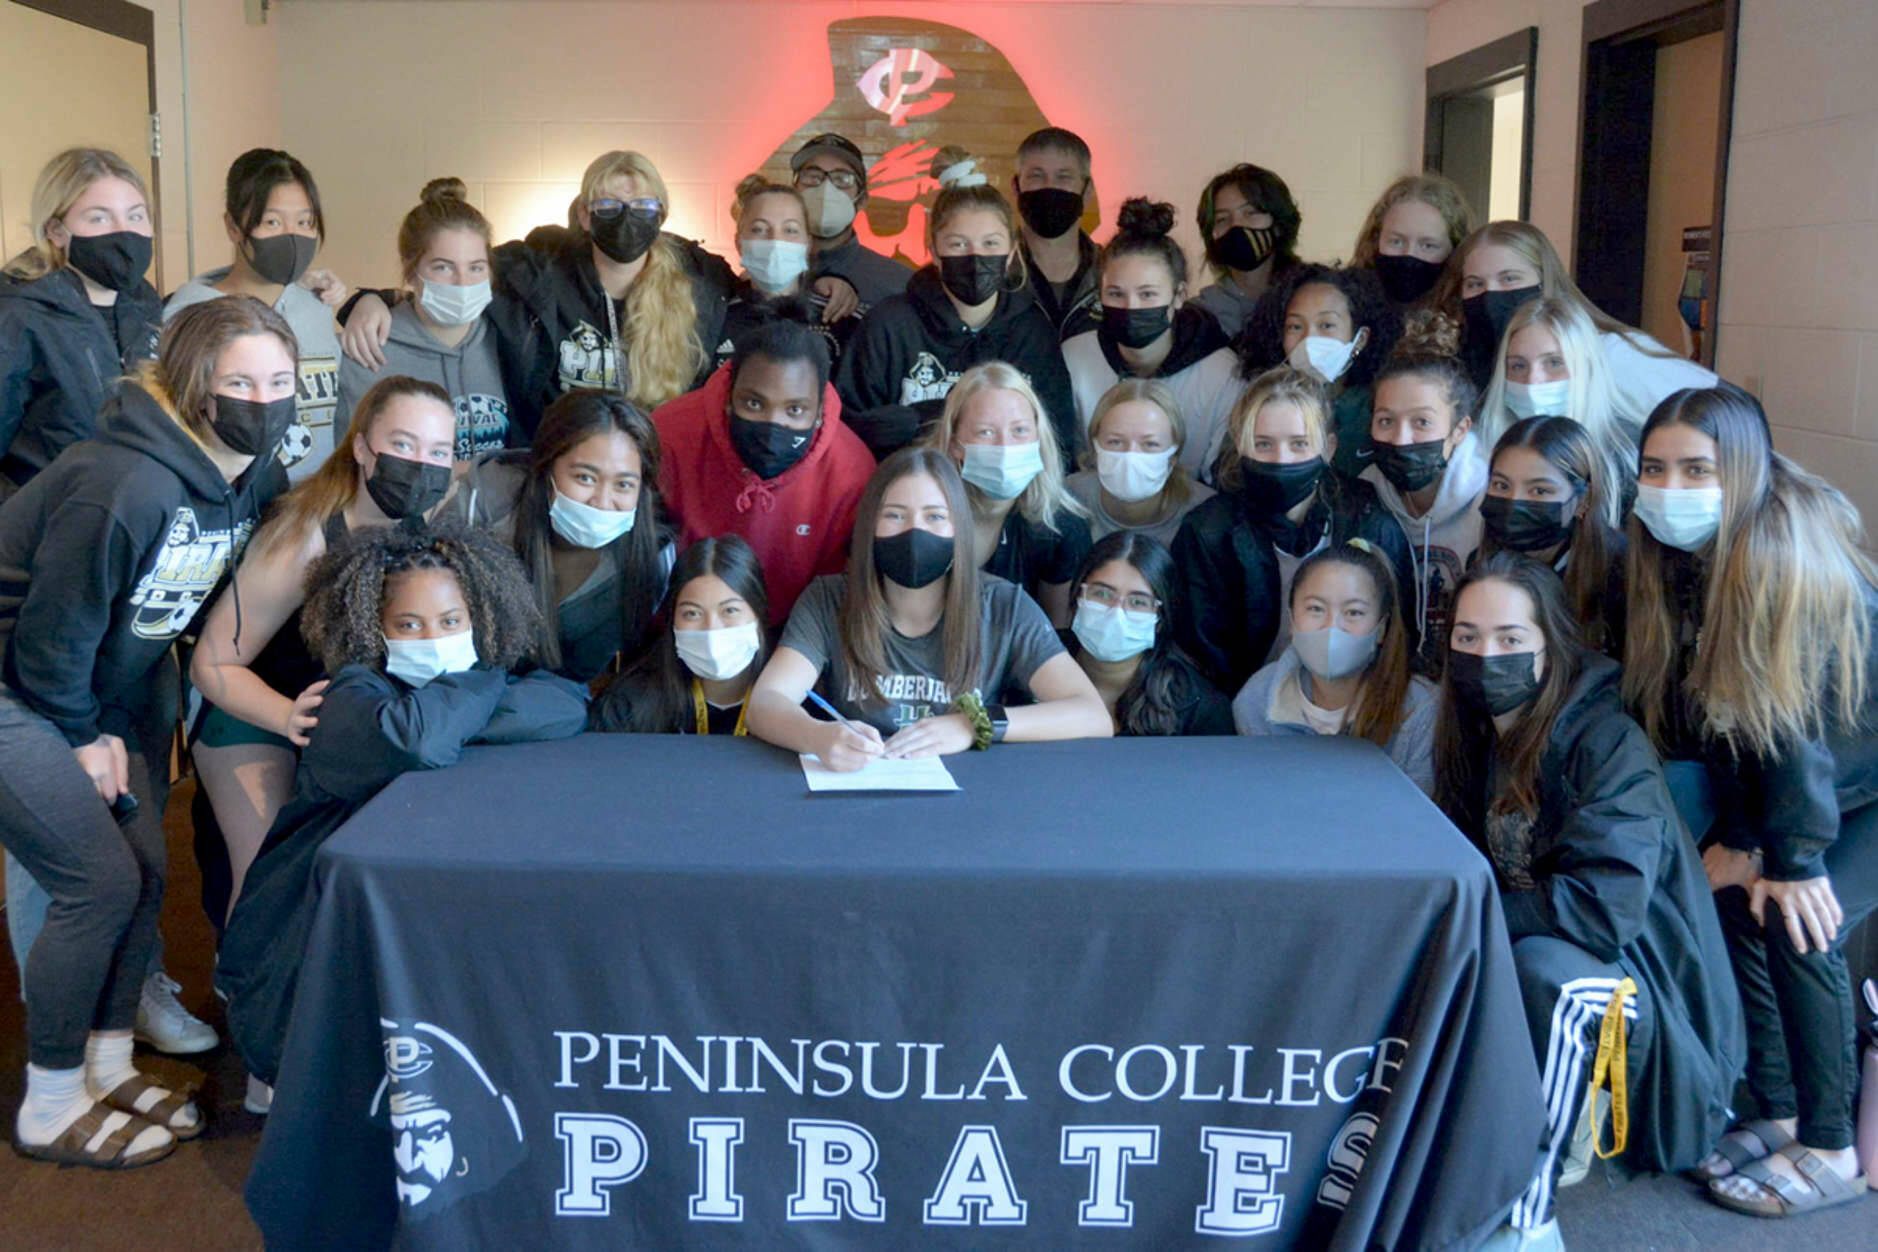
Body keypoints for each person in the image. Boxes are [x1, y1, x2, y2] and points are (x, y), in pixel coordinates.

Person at [0, 296, 298, 1168]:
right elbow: (52, 631)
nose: (263, 399)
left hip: (99, 693)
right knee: (92, 880)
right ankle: (49, 1103)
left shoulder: (249, 475)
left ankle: (105, 1065)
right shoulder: (125, 481)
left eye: (279, 382)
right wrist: (80, 733)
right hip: (27, 686)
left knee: (143, 871)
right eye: (240, 381)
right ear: (195, 385)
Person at [1617, 389, 1878, 1220]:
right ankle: (1781, 1110)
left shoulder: (1778, 558)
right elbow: (1727, 724)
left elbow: (1796, 731)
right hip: (1823, 780)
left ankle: (1834, 1147)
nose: (1671, 486)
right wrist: (1742, 843)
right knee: (1740, 898)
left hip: (1849, 782)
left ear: (1747, 473)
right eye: (1655, 468)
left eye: (1698, 469)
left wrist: (1790, 859)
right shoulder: (1685, 562)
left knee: (1802, 922)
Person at [216, 520, 588, 1092]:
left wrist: (462, 709)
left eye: (451, 623)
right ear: (373, 629)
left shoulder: (460, 697)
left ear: (479, 620)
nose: (433, 639)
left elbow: (566, 704)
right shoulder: (346, 697)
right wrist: (484, 677)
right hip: (314, 938)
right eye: (408, 625)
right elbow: (415, 739)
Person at [1436, 554, 1741, 1249]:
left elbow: (1604, 911)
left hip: (1641, 988)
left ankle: (1526, 1213)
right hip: (1537, 954)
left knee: (1553, 976)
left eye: (1512, 639)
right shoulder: (1478, 734)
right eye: (1469, 636)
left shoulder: (1607, 742)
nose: (1487, 654)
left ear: (1552, 646)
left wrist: (1471, 927)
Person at [189, 376, 458, 930]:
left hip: (338, 722)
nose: (421, 465)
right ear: (362, 448)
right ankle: (248, 999)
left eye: (439, 452)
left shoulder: (423, 528)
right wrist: (286, 716)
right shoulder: (303, 537)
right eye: (403, 445)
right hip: (252, 717)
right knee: (272, 879)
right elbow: (213, 664)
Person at [746, 447, 1111, 765]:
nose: (914, 531)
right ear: (869, 526)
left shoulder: (1005, 606)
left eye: (935, 517)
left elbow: (1092, 715)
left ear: (960, 529)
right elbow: (766, 702)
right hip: (863, 785)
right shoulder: (829, 599)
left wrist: (975, 725)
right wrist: (819, 737)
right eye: (895, 515)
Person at [342, 150, 733, 441]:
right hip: (553, 470)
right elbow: (463, 270)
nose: (627, 217)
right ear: (583, 215)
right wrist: (373, 298)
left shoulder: (701, 283)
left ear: (661, 214)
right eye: (609, 205)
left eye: (643, 205)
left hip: (652, 476)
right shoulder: (538, 275)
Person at [834, 147, 1076, 461]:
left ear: (1012, 252)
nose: (975, 257)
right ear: (933, 250)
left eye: (990, 243)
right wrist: (926, 418)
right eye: (958, 244)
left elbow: (1058, 440)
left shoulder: (1032, 333)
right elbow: (847, 432)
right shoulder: (890, 325)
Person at [650, 320, 873, 624]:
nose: (772, 425)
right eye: (754, 404)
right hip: (677, 627)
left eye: (794, 410)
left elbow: (834, 596)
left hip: (793, 637)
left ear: (819, 411)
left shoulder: (852, 472)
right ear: (730, 397)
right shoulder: (669, 434)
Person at [1193, 368, 1415, 671]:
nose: (1281, 460)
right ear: (1241, 447)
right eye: (1263, 445)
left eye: (1299, 444)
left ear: (1329, 448)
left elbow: (1396, 636)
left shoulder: (1368, 519)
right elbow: (1205, 657)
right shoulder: (1208, 532)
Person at [447, 388, 671, 682]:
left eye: (624, 485)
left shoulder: (651, 558)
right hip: (457, 682)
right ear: (546, 468)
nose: (602, 501)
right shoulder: (483, 507)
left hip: (550, 698)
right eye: (585, 478)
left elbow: (581, 677)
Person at [165, 149, 342, 482]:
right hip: (230, 515)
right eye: (272, 222)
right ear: (234, 227)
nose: (291, 236)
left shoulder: (317, 309)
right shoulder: (190, 314)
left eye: (305, 222)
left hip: (312, 512)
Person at [0, 148, 162, 498]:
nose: (124, 233)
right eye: (99, 218)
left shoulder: (147, 306)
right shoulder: (18, 318)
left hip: (131, 518)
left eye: (136, 216)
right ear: (57, 231)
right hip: (48, 529)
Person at [1234, 541, 1438, 793]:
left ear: (1381, 628)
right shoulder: (1257, 699)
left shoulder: (1419, 709)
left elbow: (1418, 820)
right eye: (1316, 609)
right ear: (1291, 619)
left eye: (1353, 612)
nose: (1332, 627)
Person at [1441, 219, 1716, 407]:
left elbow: (1718, 405)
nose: (1490, 296)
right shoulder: (1474, 363)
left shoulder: (1611, 353)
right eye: (1475, 284)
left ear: (1544, 281)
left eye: (1510, 279)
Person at [1061, 198, 1245, 475]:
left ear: (1179, 295)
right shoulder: (1074, 357)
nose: (1130, 306)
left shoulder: (1222, 373)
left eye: (1147, 294)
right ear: (1099, 295)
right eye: (1115, 294)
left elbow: (1219, 475)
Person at [333, 179, 509, 458]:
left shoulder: (510, 342)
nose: (462, 282)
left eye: (476, 268)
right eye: (443, 267)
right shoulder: (364, 350)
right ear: (411, 271)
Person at [923, 362, 1091, 627]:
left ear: (1039, 436)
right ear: (955, 444)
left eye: (1019, 431)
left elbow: (1056, 631)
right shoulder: (918, 511)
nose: (1005, 446)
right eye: (986, 432)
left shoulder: (1061, 527)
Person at [1361, 353, 1487, 675]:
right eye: (1386, 421)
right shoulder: (1363, 496)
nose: (1401, 439)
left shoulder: (1491, 500)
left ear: (1460, 430)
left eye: (1422, 422)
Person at [1235, 264, 1401, 481]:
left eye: (1326, 325)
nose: (1309, 339)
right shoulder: (1256, 402)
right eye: (1295, 326)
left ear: (1360, 338)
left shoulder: (1379, 408)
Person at [1476, 295, 1638, 518]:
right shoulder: (1480, 447)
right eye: (1518, 366)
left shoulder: (1625, 456)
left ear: (1587, 367)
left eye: (1554, 363)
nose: (1533, 381)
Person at [1479, 417, 1627, 659]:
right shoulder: (1484, 564)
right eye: (1501, 485)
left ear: (1583, 499)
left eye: (1539, 490)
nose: (1514, 502)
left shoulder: (1623, 572)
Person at [590, 535, 770, 734]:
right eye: (692, 614)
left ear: (758, 615)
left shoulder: (796, 701)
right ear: (673, 621)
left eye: (730, 611)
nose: (711, 629)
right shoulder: (628, 705)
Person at [1066, 532, 1232, 736]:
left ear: (1160, 620)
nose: (1116, 613)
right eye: (1102, 594)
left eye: (1138, 602)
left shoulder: (1198, 708)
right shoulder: (1027, 664)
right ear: (1077, 597)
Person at [709, 176, 858, 374]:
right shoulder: (715, 318)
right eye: (759, 229)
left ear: (808, 244)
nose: (775, 240)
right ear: (739, 243)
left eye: (790, 230)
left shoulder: (840, 319)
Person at [1063, 379, 1214, 548]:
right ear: (1095, 446)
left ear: (1173, 456)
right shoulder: (1068, 500)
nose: (1131, 455)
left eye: (1150, 444)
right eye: (1115, 441)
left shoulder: (1206, 514)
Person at [791, 132, 912, 306]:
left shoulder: (898, 285)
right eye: (812, 177)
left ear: (861, 200)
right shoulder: (766, 273)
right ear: (793, 192)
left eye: (842, 179)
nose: (826, 189)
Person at [1190, 163, 1302, 338]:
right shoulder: (1200, 315)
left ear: (1279, 224)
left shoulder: (1310, 297)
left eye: (1251, 213)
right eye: (1222, 219)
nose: (1236, 225)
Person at [1011, 126, 1100, 338]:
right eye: (1036, 176)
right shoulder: (992, 274)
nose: (1049, 186)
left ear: (1087, 192)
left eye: (1064, 177)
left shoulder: (1112, 274)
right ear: (1016, 188)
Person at [1347, 173, 1475, 310]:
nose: (1409, 254)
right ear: (1375, 240)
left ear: (1456, 250)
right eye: (1396, 241)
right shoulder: (1344, 309)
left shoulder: (1469, 319)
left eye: (1428, 245)